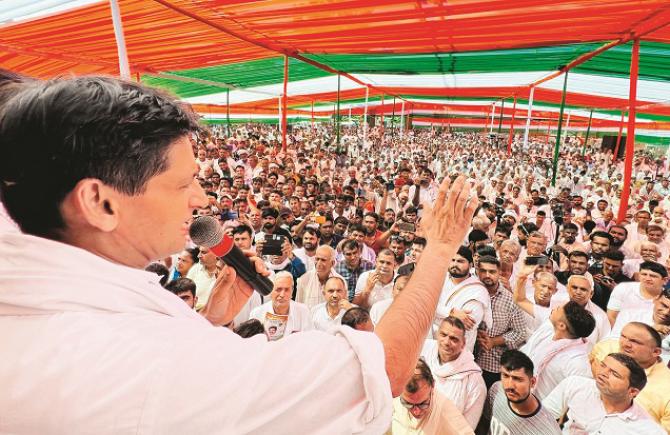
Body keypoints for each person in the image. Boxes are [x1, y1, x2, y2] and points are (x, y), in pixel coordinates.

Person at [0, 75, 480, 433]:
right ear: (100, 202)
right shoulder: (143, 359)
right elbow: (380, 370)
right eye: (184, 182)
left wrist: (205, 321)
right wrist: (439, 248)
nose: (202, 200)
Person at [543, 353, 665, 434]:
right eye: (603, 365)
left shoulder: (648, 430)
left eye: (614, 374)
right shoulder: (575, 385)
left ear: (632, 391)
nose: (603, 373)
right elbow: (541, 418)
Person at [590, 322, 670, 431]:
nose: (625, 344)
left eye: (635, 341)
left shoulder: (666, 389)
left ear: (656, 351)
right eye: (623, 336)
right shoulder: (604, 348)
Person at [421, 317, 487, 430]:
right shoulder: (423, 352)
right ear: (437, 334)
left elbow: (467, 428)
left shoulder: (474, 382)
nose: (446, 342)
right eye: (443, 335)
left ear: (463, 343)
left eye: (454, 339)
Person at [520, 301, 595, 399]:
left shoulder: (577, 363)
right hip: (518, 392)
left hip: (541, 408)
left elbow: (576, 398)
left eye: (558, 308)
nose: (554, 309)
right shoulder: (549, 328)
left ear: (562, 326)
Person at [474, 256, 527, 388]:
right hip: (467, 359)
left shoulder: (510, 300)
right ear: (476, 272)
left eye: (492, 272)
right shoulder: (469, 294)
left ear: (499, 273)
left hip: (492, 365)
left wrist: (493, 341)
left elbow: (520, 332)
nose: (487, 275)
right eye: (483, 271)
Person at [481, 350, 561, 435]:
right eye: (506, 376)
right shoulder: (496, 390)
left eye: (517, 379)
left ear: (532, 382)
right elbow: (483, 426)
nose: (510, 385)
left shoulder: (547, 431)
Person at [388, 358, 474, 435]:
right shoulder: (395, 394)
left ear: (433, 385)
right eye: (407, 404)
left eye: (423, 404)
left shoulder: (445, 412)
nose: (416, 412)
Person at [434, 246, 492, 351]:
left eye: (460, 261)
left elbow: (462, 326)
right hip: (432, 345)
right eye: (452, 260)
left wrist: (434, 314)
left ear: (470, 265)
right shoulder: (440, 279)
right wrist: (450, 313)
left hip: (458, 350)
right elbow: (423, 307)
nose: (455, 264)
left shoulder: (478, 291)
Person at [249, 271, 313, 340]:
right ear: (271, 291)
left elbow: (309, 340)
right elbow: (252, 343)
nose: (282, 295)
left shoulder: (303, 311)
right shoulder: (257, 314)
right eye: (278, 289)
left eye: (286, 290)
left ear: (292, 291)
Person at [295, 245, 343, 310]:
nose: (319, 263)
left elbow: (343, 308)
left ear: (332, 263)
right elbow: (298, 307)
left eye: (323, 260)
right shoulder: (304, 280)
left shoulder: (340, 282)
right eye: (317, 259)